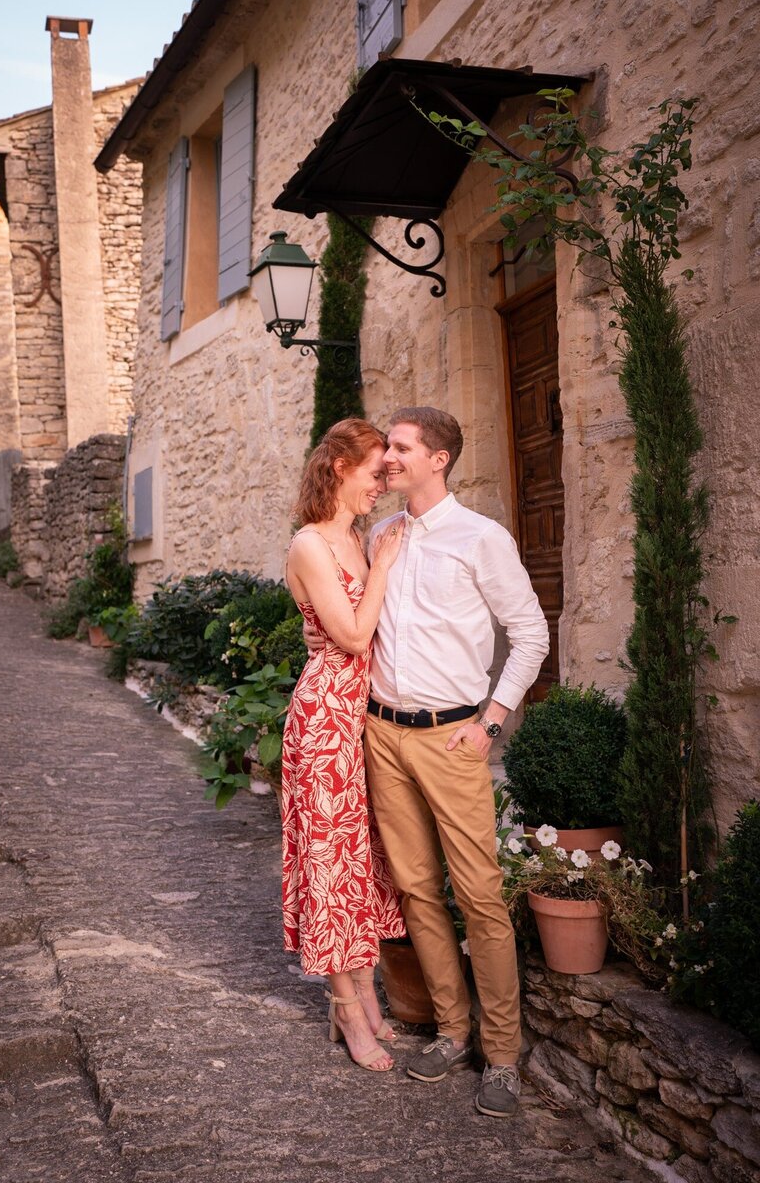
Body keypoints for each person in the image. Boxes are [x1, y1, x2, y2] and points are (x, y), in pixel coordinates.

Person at [305, 407, 549, 1116]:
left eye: (402, 449)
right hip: (382, 733)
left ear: (438, 459)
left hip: (451, 739)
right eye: (387, 450)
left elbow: (530, 632)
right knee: (414, 891)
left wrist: (492, 722)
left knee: (477, 894)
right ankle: (451, 1029)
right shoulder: (380, 534)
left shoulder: (482, 538)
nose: (389, 460)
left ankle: (502, 1054)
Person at [282, 417, 407, 1074]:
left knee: (361, 863)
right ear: (339, 468)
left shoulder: (357, 536)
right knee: (332, 865)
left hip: (364, 719)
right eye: (374, 473)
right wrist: (383, 566)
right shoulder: (311, 545)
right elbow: (354, 637)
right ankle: (348, 1009)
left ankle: (362, 991)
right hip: (326, 720)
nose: (381, 486)